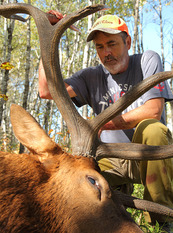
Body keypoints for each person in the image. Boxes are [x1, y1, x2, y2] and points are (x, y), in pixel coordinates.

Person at [39, 13, 173, 230]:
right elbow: (46, 91)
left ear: (127, 42)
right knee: (79, 170)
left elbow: (153, 110)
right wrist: (47, 42)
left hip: (147, 156)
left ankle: (161, 223)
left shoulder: (148, 60)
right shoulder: (90, 76)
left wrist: (101, 124)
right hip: (108, 157)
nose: (106, 52)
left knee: (152, 129)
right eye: (100, 47)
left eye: (112, 44)